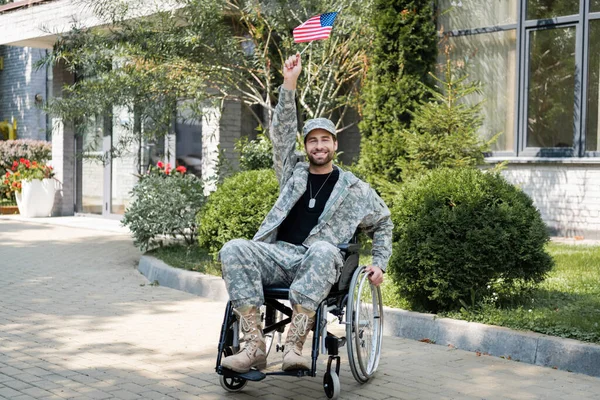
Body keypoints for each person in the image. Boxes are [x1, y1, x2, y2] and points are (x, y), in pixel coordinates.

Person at [219, 53, 393, 373]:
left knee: (325, 249)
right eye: (312, 141)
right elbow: (283, 134)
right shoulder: (293, 173)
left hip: (317, 263)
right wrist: (290, 82)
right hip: (279, 256)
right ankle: (253, 347)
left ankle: (295, 344)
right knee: (233, 248)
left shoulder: (354, 189)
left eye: (324, 140)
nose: (318, 146)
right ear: (307, 146)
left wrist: (380, 263)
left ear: (334, 145)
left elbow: (383, 222)